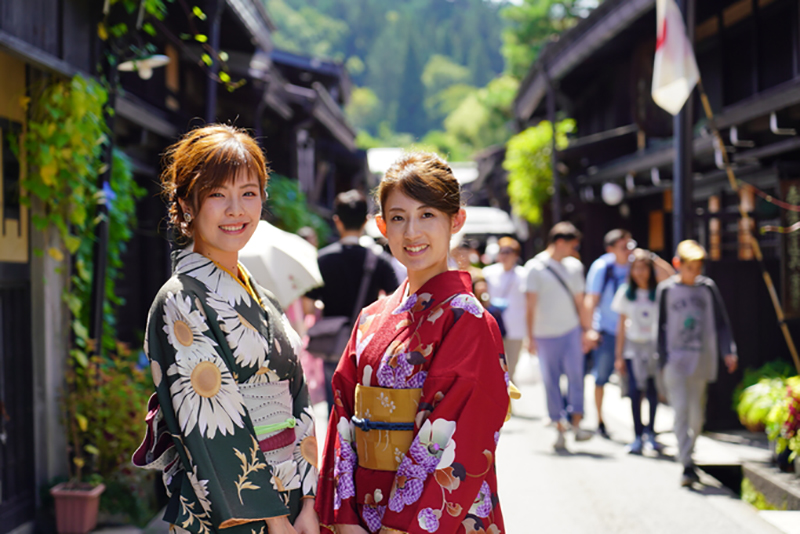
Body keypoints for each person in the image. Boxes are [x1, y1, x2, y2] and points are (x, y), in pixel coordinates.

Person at [133, 125, 318, 534]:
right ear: (186, 205)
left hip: (290, 502)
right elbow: (208, 420)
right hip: (228, 507)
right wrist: (272, 517)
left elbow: (298, 397)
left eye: (249, 193)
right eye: (218, 194)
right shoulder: (180, 300)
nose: (236, 209)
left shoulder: (263, 296)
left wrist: (307, 499)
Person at [315, 152, 508, 534]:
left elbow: (460, 433)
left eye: (427, 215)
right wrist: (344, 517)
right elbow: (342, 417)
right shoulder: (371, 318)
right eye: (399, 218)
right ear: (382, 226)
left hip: (434, 519)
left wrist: (399, 526)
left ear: (456, 220)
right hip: (361, 515)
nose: (412, 232)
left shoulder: (469, 320)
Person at [304, 190, 399, 415]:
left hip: (332, 342)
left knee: (334, 405)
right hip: (366, 341)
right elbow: (396, 302)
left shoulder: (322, 259)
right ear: (366, 221)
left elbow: (309, 305)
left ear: (337, 222)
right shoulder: (379, 260)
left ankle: (336, 447)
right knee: (363, 404)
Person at [656, 240, 738, 487]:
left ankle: (688, 454)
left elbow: (722, 323)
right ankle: (686, 465)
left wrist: (729, 350)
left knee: (696, 416)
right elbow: (659, 327)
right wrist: (661, 360)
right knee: (680, 410)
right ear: (678, 264)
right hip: (675, 361)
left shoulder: (708, 288)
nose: (695, 272)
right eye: (690, 267)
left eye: (698, 267)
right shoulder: (666, 290)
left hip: (701, 359)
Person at [525, 222, 593, 451]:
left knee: (576, 377)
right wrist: (530, 336)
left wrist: (586, 329)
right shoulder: (535, 267)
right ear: (560, 242)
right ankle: (559, 427)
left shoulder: (574, 267)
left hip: (571, 330)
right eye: (572, 245)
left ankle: (576, 423)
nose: (574, 250)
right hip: (544, 334)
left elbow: (580, 300)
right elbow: (530, 305)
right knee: (550, 381)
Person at [612, 249, 673, 454]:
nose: (640, 272)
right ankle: (637, 435)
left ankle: (651, 433)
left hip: (654, 346)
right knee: (635, 392)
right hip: (633, 347)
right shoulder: (626, 293)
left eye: (644, 267)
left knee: (653, 391)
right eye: (636, 268)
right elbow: (620, 327)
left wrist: (653, 257)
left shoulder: (660, 291)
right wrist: (618, 355)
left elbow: (672, 275)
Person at [583, 229, 632, 439]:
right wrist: (589, 330)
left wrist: (651, 258)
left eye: (630, 245)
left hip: (633, 333)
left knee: (635, 380)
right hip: (607, 331)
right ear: (611, 249)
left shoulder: (636, 264)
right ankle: (600, 420)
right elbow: (591, 300)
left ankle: (638, 425)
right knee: (601, 377)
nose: (628, 250)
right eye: (623, 247)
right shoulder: (603, 267)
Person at [482, 237, 526, 382]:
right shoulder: (488, 273)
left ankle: (509, 402)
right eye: (502, 251)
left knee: (511, 369)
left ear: (516, 255)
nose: (505, 255)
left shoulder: (523, 274)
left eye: (509, 252)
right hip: (493, 326)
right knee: (493, 368)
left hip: (516, 327)